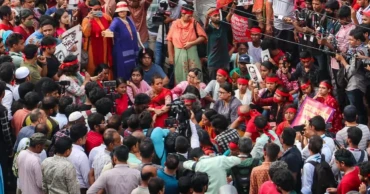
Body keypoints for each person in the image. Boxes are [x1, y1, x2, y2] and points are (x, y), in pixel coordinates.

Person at [167, 4, 207, 84]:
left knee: (194, 74)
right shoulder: (175, 24)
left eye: (191, 16)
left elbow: (203, 37)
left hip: (193, 53)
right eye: (188, 16)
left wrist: (192, 43)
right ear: (182, 14)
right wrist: (171, 56)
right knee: (180, 74)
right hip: (179, 54)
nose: (190, 18)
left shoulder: (194, 23)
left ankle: (197, 91)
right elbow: (169, 40)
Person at [103, 1, 138, 80]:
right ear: (117, 12)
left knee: (131, 69)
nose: (122, 12)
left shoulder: (129, 20)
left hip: (131, 50)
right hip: (121, 52)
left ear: (127, 11)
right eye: (120, 11)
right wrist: (107, 31)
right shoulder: (116, 20)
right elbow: (111, 29)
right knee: (121, 71)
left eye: (123, 10)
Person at [82, 0, 112, 76]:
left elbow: (112, 27)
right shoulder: (86, 20)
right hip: (92, 47)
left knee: (105, 64)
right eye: (95, 10)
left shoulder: (106, 17)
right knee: (93, 67)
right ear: (90, 10)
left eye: (99, 9)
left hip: (105, 45)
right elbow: (86, 34)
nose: (98, 11)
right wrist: (90, 20)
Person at [205, 7, 231, 79]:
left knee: (225, 82)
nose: (218, 17)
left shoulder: (223, 25)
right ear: (210, 17)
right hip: (213, 61)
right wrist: (207, 15)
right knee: (213, 82)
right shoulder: (209, 28)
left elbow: (230, 13)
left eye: (218, 15)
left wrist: (234, 3)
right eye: (215, 15)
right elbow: (206, 24)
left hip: (224, 61)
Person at [68, 123, 89, 193]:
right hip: (80, 190)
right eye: (86, 136)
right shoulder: (81, 156)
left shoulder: (65, 150)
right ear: (80, 140)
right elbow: (87, 178)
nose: (87, 138)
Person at [279, 127, 302, 193]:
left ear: (282, 140)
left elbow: (293, 178)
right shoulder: (292, 151)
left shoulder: (292, 157)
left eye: (280, 136)